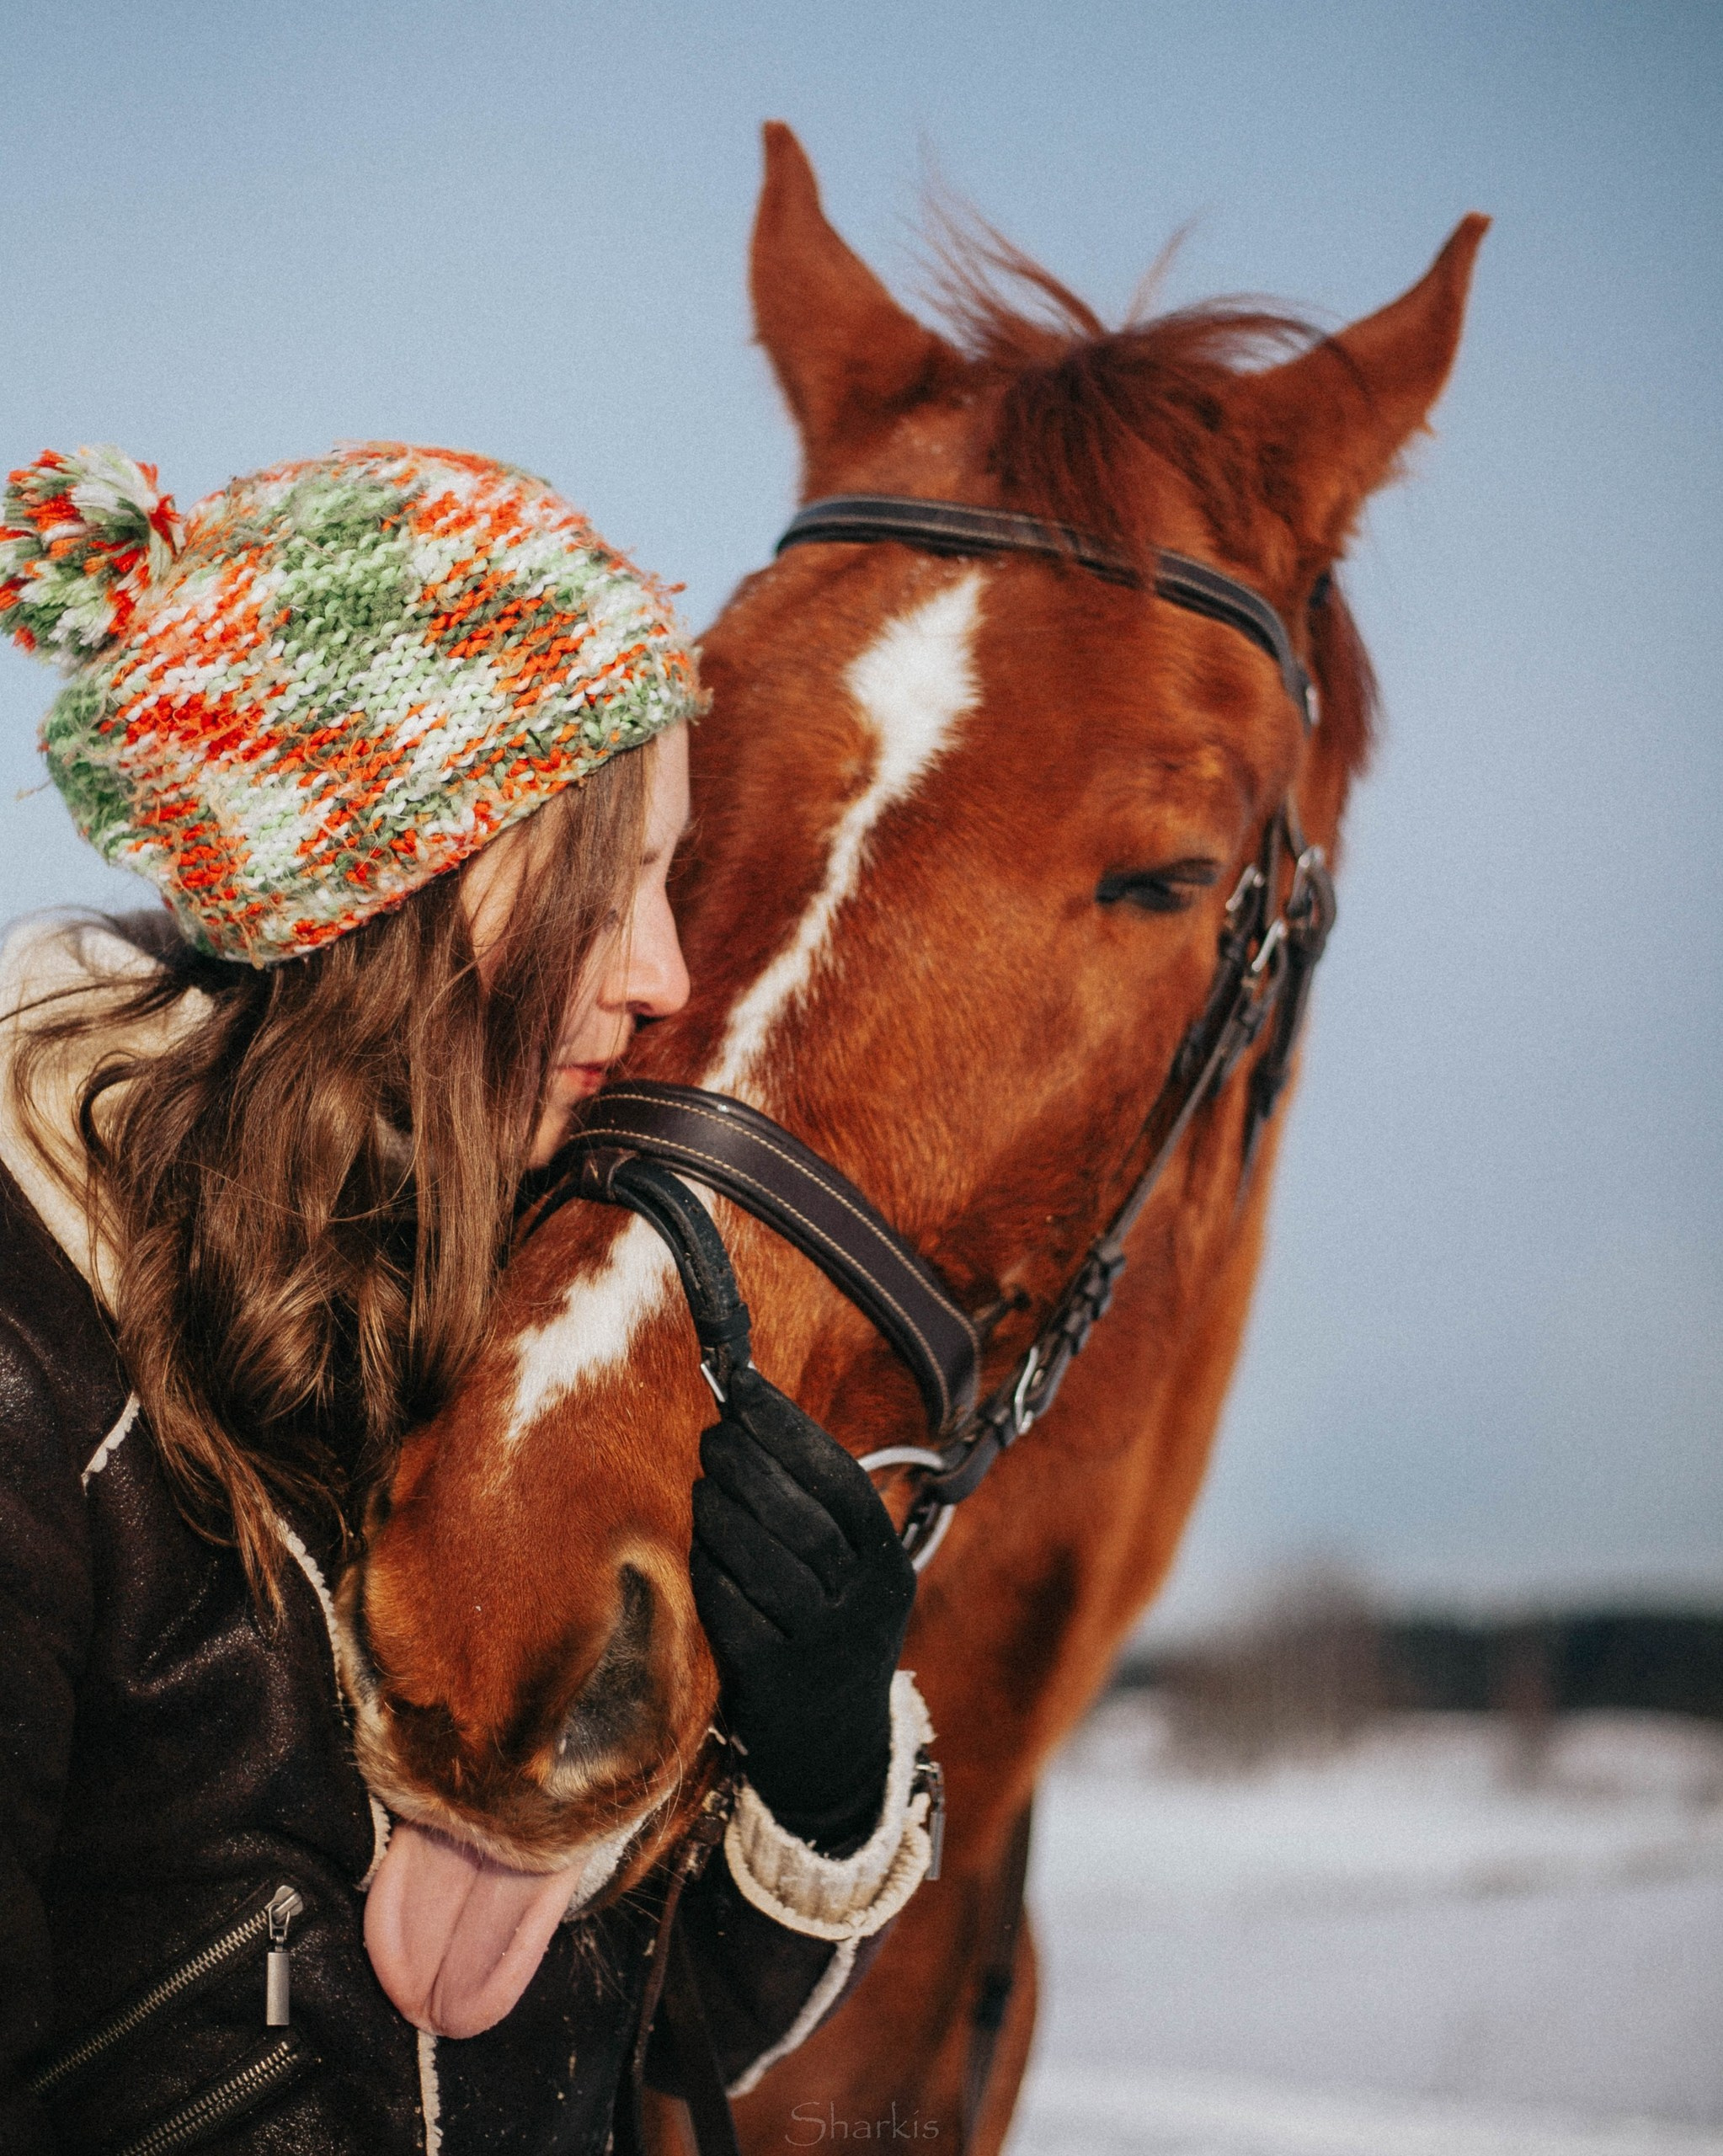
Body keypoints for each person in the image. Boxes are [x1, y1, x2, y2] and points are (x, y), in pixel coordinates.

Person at [0, 443, 935, 2155]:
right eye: (617, 876)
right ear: (396, 874)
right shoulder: (31, 1351)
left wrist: (814, 1754)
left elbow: (641, 2028)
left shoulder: (482, 1312)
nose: (658, 978)